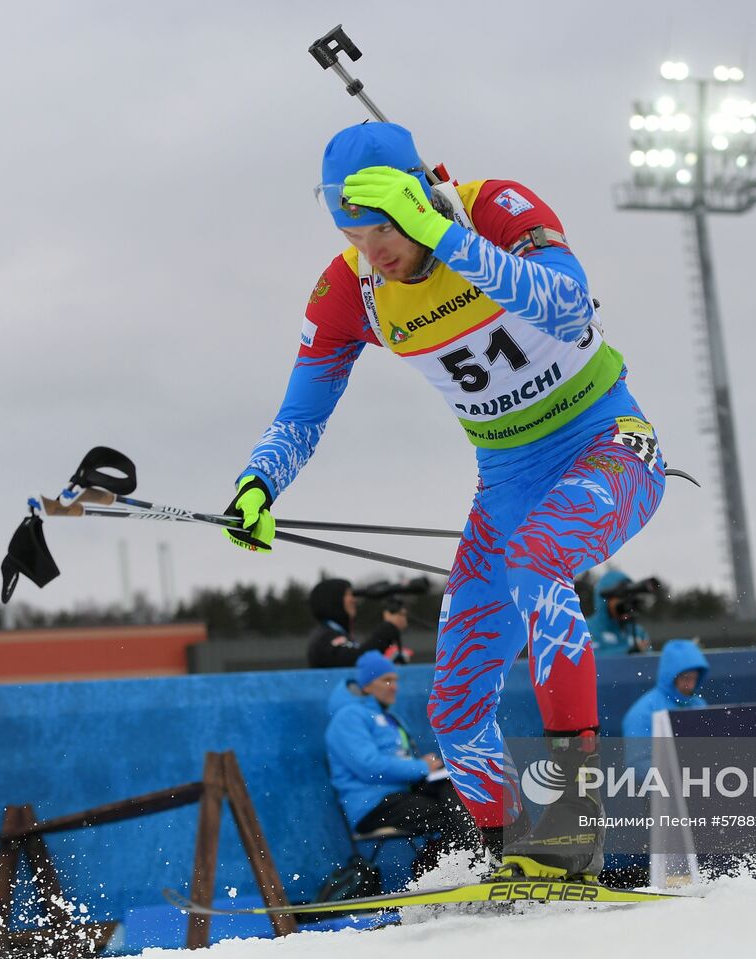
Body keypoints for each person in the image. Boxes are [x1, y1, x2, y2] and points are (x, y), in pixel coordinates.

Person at [225, 122, 667, 880]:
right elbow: (302, 413)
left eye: (382, 227)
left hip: (610, 447)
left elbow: (567, 307)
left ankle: (573, 831)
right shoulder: (350, 289)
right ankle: (515, 857)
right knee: (454, 706)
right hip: (507, 487)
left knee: (538, 561)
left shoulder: (493, 208)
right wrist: (259, 481)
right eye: (351, 232)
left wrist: (445, 234)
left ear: (418, 195)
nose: (374, 251)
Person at [324, 652, 475, 878]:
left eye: (395, 681)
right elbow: (368, 766)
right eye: (386, 681)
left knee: (457, 792)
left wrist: (430, 768)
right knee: (446, 813)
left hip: (400, 796)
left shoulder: (389, 717)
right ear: (366, 686)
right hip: (372, 805)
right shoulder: (348, 717)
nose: (393, 687)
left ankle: (466, 862)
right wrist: (422, 767)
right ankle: (446, 870)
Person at [307, 578, 412, 669]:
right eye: (348, 594)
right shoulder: (324, 638)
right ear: (333, 600)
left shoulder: (336, 634)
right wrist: (389, 627)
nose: (354, 600)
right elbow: (357, 660)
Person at [621, 638, 708, 745]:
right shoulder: (642, 713)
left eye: (695, 678)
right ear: (671, 677)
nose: (691, 685)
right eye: (686, 678)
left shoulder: (699, 705)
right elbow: (638, 760)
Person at [586, 570, 651, 657]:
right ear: (605, 600)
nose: (626, 601)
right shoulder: (586, 630)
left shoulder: (638, 633)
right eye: (620, 596)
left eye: (629, 595)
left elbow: (650, 665)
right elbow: (589, 660)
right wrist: (628, 652)